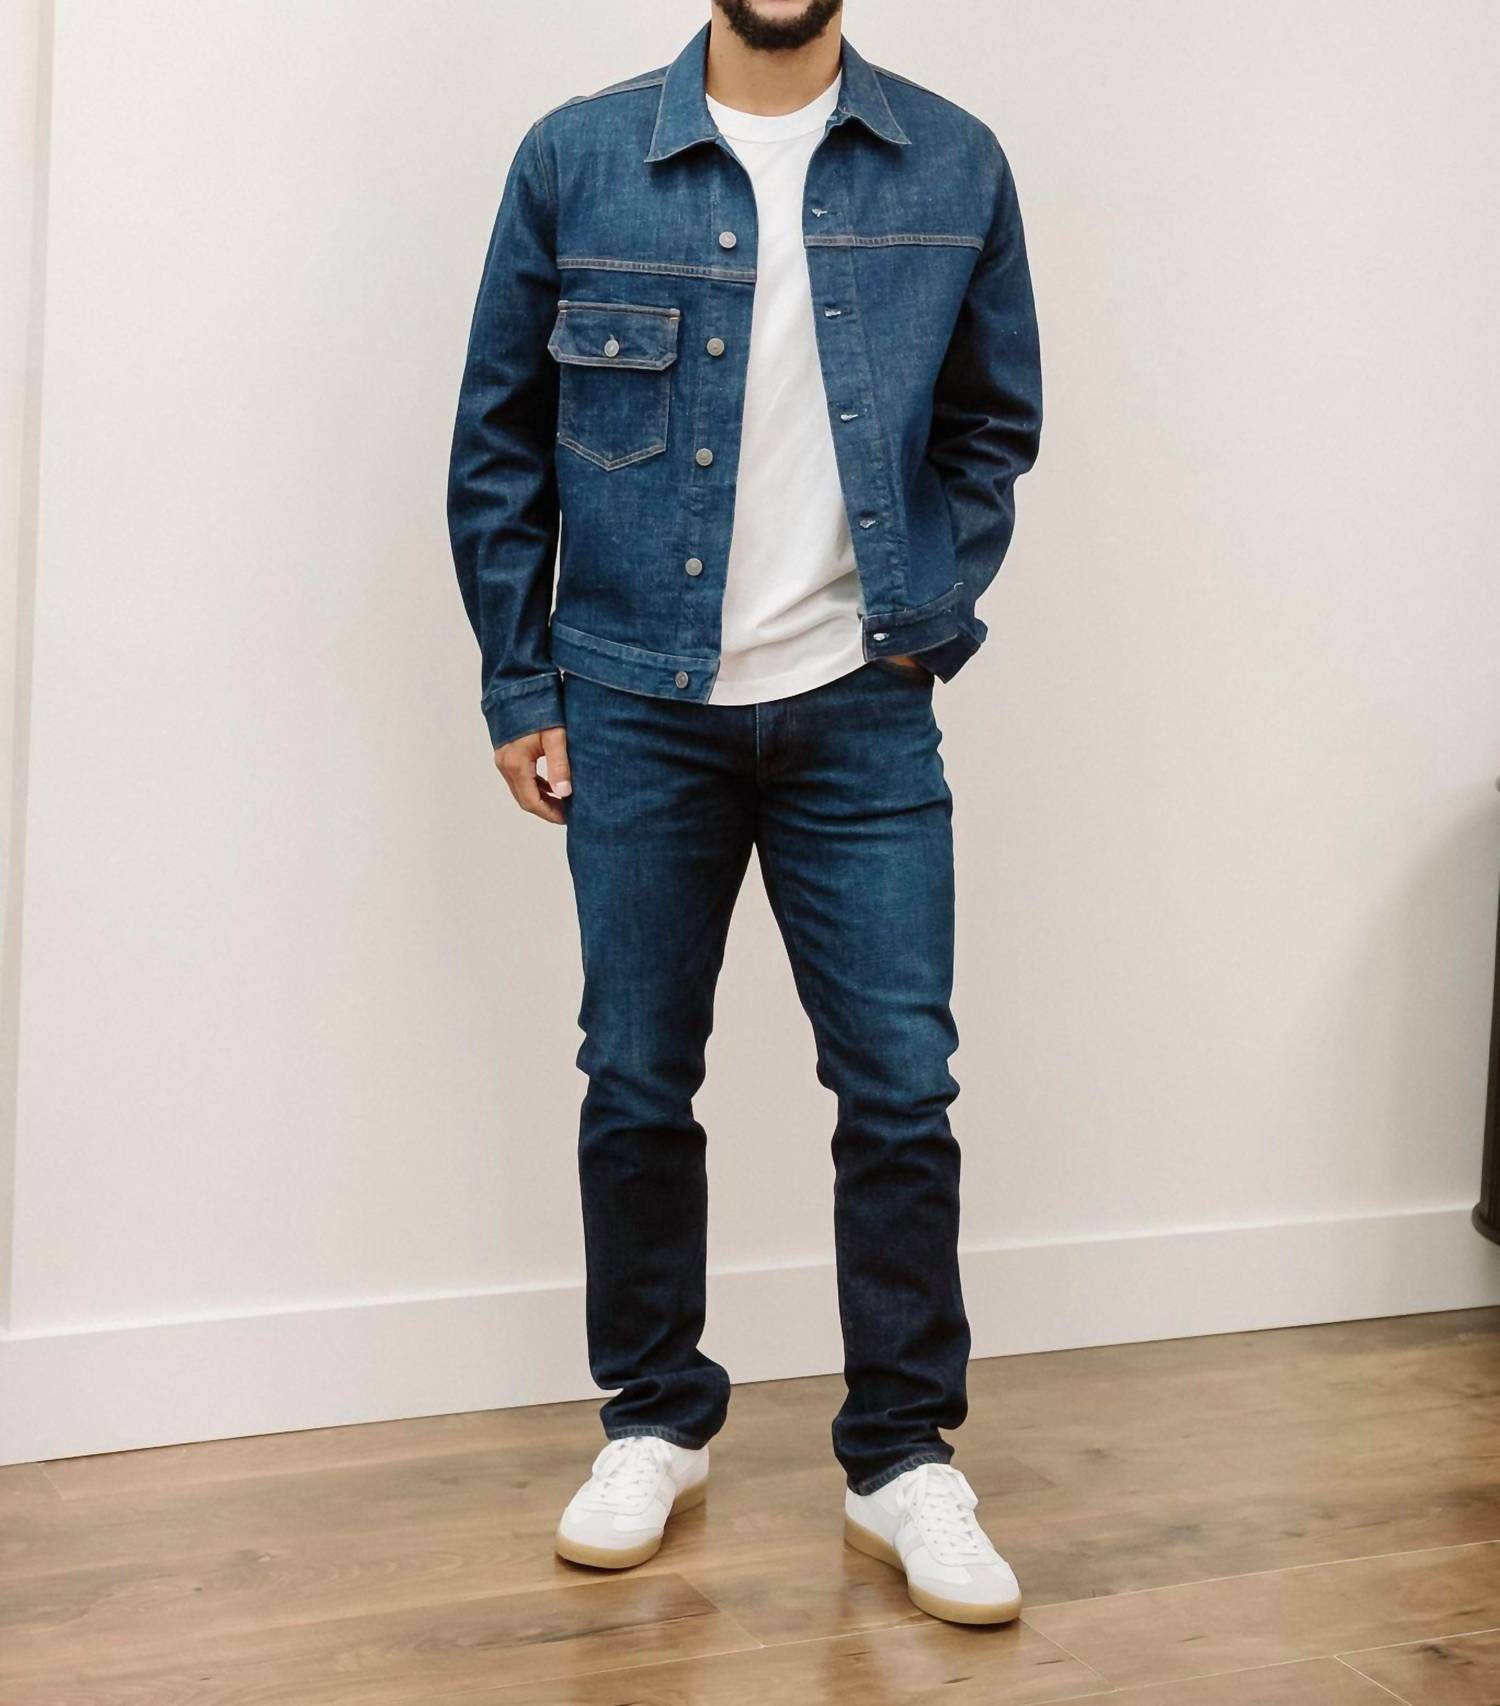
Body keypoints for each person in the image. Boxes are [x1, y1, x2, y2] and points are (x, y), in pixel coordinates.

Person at [447, 0, 1042, 1626]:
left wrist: (921, 614)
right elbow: (498, 440)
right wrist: (521, 680)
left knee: (902, 1086)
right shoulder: (576, 159)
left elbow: (994, 426)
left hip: (862, 704)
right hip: (632, 702)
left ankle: (901, 1456)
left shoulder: (955, 164)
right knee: (637, 1076)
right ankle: (653, 1420)